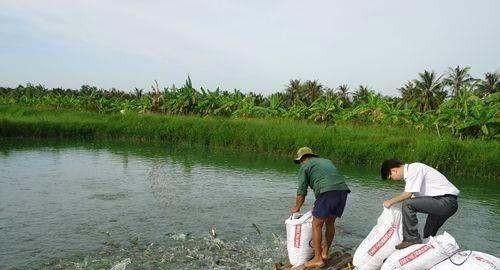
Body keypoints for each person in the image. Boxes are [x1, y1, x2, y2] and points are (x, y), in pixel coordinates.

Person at [290, 147, 350, 268]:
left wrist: (296, 207)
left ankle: (317, 259)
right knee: (330, 222)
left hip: (327, 192)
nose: (300, 163)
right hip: (342, 191)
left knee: (316, 224)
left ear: (303, 158)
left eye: (300, 161)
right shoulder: (326, 161)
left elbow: (301, 191)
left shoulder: (305, 166)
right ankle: (324, 253)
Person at [380, 159, 459, 249]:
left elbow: (408, 194)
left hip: (445, 201)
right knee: (428, 236)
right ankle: (426, 250)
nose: (393, 180)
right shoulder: (413, 171)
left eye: (391, 177)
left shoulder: (414, 169)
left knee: (407, 204)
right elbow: (414, 197)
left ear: (394, 170)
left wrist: (390, 202)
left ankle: (411, 239)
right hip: (446, 203)